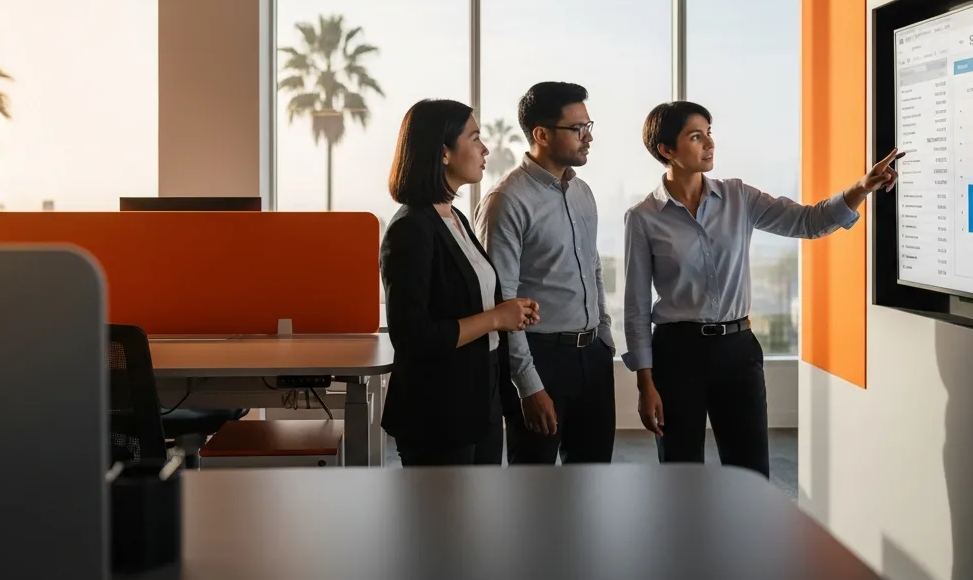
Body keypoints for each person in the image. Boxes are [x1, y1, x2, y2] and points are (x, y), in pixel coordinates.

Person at [624, 101, 902, 476]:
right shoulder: (642, 218)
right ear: (666, 150)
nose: (709, 143)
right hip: (676, 354)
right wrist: (645, 382)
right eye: (696, 136)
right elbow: (637, 306)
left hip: (737, 351)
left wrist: (861, 187)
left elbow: (808, 221)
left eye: (709, 133)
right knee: (679, 474)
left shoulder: (739, 196)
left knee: (750, 472)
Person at [380, 99, 541, 466]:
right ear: (444, 153)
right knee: (444, 522)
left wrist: (509, 313)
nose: (485, 149)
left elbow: (470, 302)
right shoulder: (410, 229)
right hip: (439, 412)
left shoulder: (455, 219)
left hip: (479, 402)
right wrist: (497, 318)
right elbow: (412, 336)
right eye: (474, 138)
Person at [477, 82, 616, 465]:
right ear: (541, 134)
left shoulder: (582, 192)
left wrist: (603, 338)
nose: (588, 137)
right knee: (533, 490)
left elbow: (594, 269)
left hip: (592, 357)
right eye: (577, 129)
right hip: (541, 358)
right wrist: (528, 385)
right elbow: (501, 299)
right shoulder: (507, 201)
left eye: (589, 126)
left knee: (593, 481)